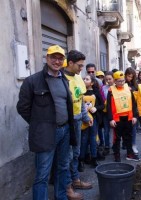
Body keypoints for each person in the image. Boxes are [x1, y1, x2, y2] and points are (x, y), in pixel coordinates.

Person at [16, 45, 76, 200]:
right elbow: (22, 107)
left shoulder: (64, 79)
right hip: (45, 133)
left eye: (60, 58)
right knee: (43, 172)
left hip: (65, 130)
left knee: (62, 167)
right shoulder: (33, 81)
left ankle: (61, 197)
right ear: (47, 58)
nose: (57, 61)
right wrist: (39, 123)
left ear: (64, 61)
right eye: (53, 57)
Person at [63, 50, 93, 199]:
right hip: (66, 123)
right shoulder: (61, 78)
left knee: (76, 152)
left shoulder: (78, 78)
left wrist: (85, 116)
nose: (82, 68)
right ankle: (67, 186)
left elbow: (80, 100)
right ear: (70, 63)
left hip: (77, 121)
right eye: (80, 65)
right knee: (67, 156)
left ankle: (75, 180)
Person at [107, 71, 140, 162]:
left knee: (128, 136)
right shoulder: (111, 91)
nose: (121, 83)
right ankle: (116, 154)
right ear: (114, 81)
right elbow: (108, 106)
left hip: (128, 117)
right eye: (119, 81)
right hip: (117, 118)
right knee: (117, 138)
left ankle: (130, 154)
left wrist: (134, 116)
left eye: (122, 81)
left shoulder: (128, 89)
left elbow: (133, 103)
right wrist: (111, 119)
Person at [79, 74, 104, 168]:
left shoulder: (96, 92)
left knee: (93, 138)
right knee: (84, 139)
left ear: (92, 82)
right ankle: (81, 159)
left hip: (94, 119)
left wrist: (96, 108)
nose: (84, 80)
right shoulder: (81, 91)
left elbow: (102, 105)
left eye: (87, 79)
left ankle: (94, 158)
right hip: (83, 119)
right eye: (84, 79)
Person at [125, 67, 140, 154]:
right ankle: (127, 145)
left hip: (133, 109)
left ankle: (133, 145)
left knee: (133, 129)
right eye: (128, 76)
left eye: (132, 76)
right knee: (126, 130)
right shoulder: (122, 84)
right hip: (124, 109)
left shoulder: (135, 85)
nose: (130, 78)